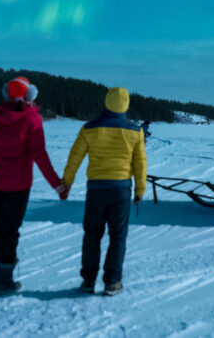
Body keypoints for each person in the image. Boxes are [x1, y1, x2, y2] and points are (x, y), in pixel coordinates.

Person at [0, 76, 66, 293]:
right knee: (10, 230)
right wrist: (57, 185)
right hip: (18, 185)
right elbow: (40, 155)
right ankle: (4, 281)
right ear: (29, 95)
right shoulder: (32, 119)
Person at [61, 87, 147, 296]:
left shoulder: (89, 128)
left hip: (96, 190)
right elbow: (140, 162)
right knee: (118, 237)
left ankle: (88, 281)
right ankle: (113, 282)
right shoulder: (135, 131)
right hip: (121, 191)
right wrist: (140, 189)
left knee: (92, 236)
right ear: (126, 104)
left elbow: (75, 157)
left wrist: (66, 183)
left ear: (107, 103)